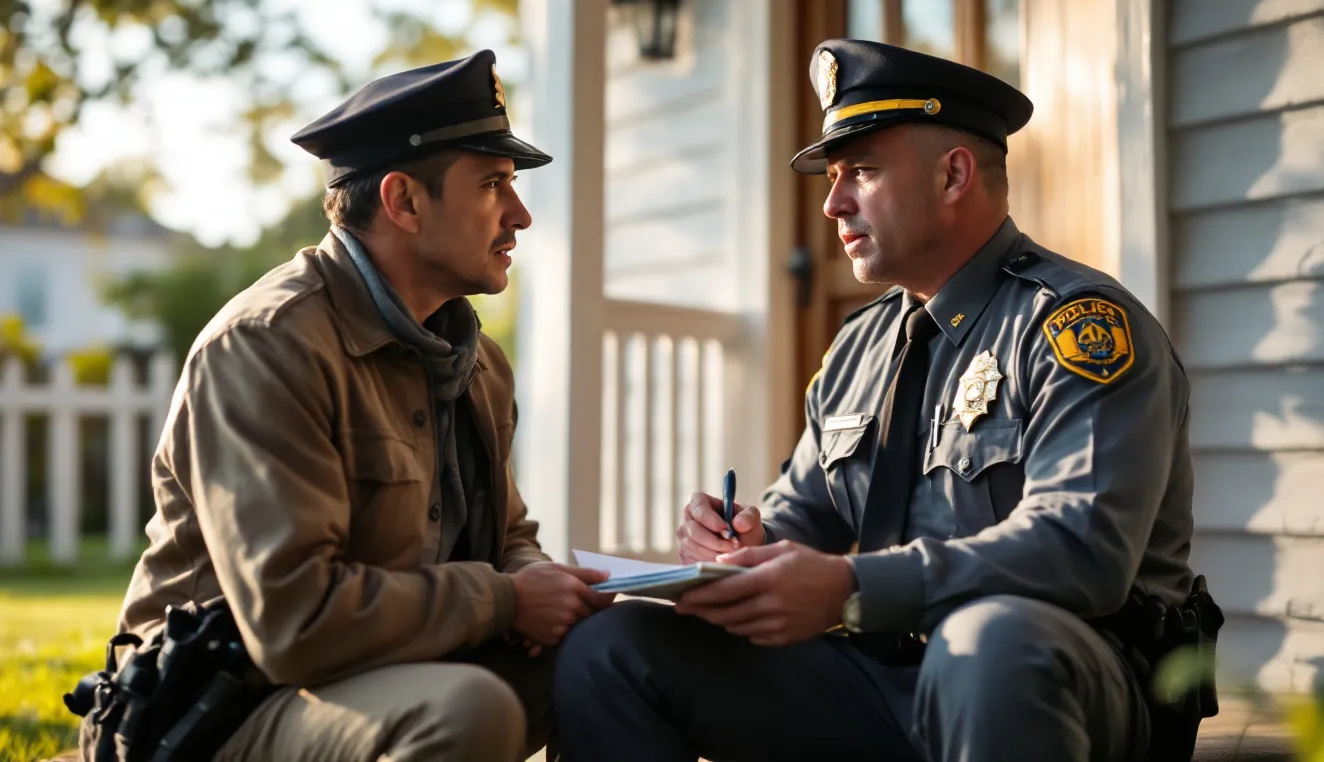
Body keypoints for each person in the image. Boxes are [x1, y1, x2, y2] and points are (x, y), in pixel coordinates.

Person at [553, 38, 1214, 762]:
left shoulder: (1074, 327)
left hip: (1069, 680)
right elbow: (802, 519)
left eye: (861, 172)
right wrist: (740, 552)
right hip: (892, 678)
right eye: (833, 177)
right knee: (612, 646)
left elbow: (1083, 550)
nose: (833, 203)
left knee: (988, 642)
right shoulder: (860, 347)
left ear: (953, 175)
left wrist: (849, 585)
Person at [99, 50, 615, 762]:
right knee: (469, 712)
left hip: (386, 679)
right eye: (494, 183)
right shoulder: (268, 348)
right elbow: (292, 623)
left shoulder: (476, 362)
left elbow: (509, 536)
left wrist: (534, 579)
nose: (520, 214)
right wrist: (503, 601)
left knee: (610, 654)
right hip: (215, 708)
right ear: (403, 201)